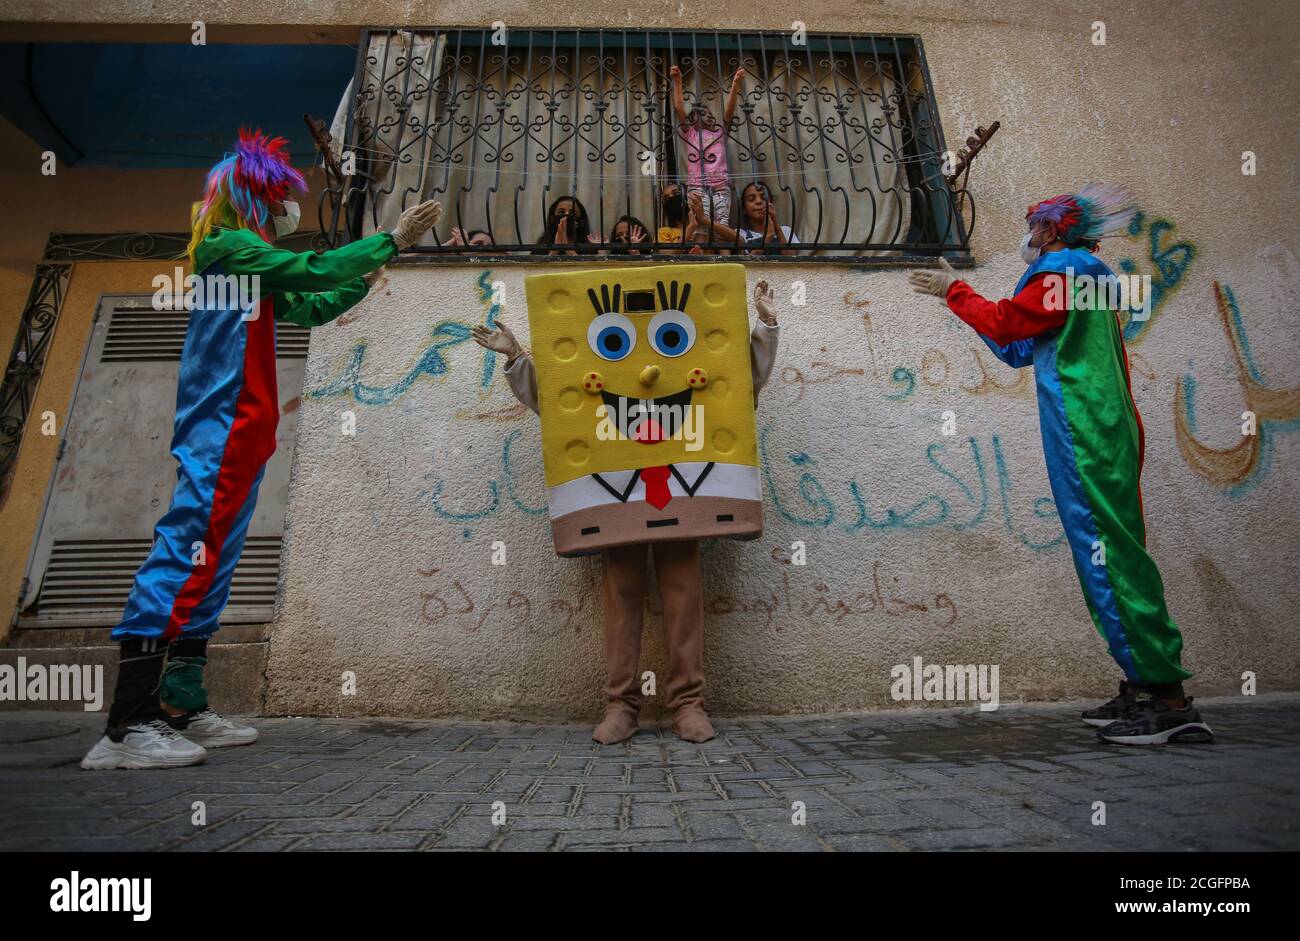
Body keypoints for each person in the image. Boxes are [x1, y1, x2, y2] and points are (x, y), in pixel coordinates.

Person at [81, 129, 442, 770]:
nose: (286, 211)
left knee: (213, 565)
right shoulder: (228, 248)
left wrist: (370, 271)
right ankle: (125, 728)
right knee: (184, 553)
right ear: (254, 197)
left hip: (245, 434)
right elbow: (309, 268)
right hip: (220, 427)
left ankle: (180, 706)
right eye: (279, 199)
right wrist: (389, 239)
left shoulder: (248, 263)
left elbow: (313, 303)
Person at [907, 183, 1213, 747]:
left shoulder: (1064, 271)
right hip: (1102, 423)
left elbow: (1007, 325)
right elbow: (1019, 346)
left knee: (1108, 552)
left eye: (1032, 222)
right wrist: (963, 302)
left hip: (1084, 426)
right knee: (1113, 547)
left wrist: (956, 291)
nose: (1026, 232)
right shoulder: (1086, 274)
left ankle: (1167, 697)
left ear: (1051, 230)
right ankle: (1144, 682)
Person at [470, 280, 781, 744]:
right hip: (614, 497)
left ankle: (688, 704)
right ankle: (621, 704)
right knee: (622, 597)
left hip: (683, 496)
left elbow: (733, 385)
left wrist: (766, 327)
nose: (650, 373)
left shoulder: (690, 376)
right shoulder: (595, 381)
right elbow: (560, 403)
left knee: (683, 597)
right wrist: (516, 357)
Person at [670, 64, 744, 226]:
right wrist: (677, 83)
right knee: (699, 227)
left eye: (710, 114)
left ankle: (723, 251)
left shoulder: (719, 133)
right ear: (692, 120)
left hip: (720, 186)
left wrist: (735, 85)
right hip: (697, 185)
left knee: (721, 225)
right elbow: (679, 108)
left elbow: (729, 112)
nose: (709, 117)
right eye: (703, 114)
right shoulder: (691, 134)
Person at [737, 182, 799, 256]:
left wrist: (776, 227)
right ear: (744, 209)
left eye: (763, 198)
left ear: (771, 203)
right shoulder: (740, 234)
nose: (759, 201)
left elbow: (791, 259)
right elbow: (747, 263)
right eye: (751, 199)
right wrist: (768, 237)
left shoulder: (785, 231)